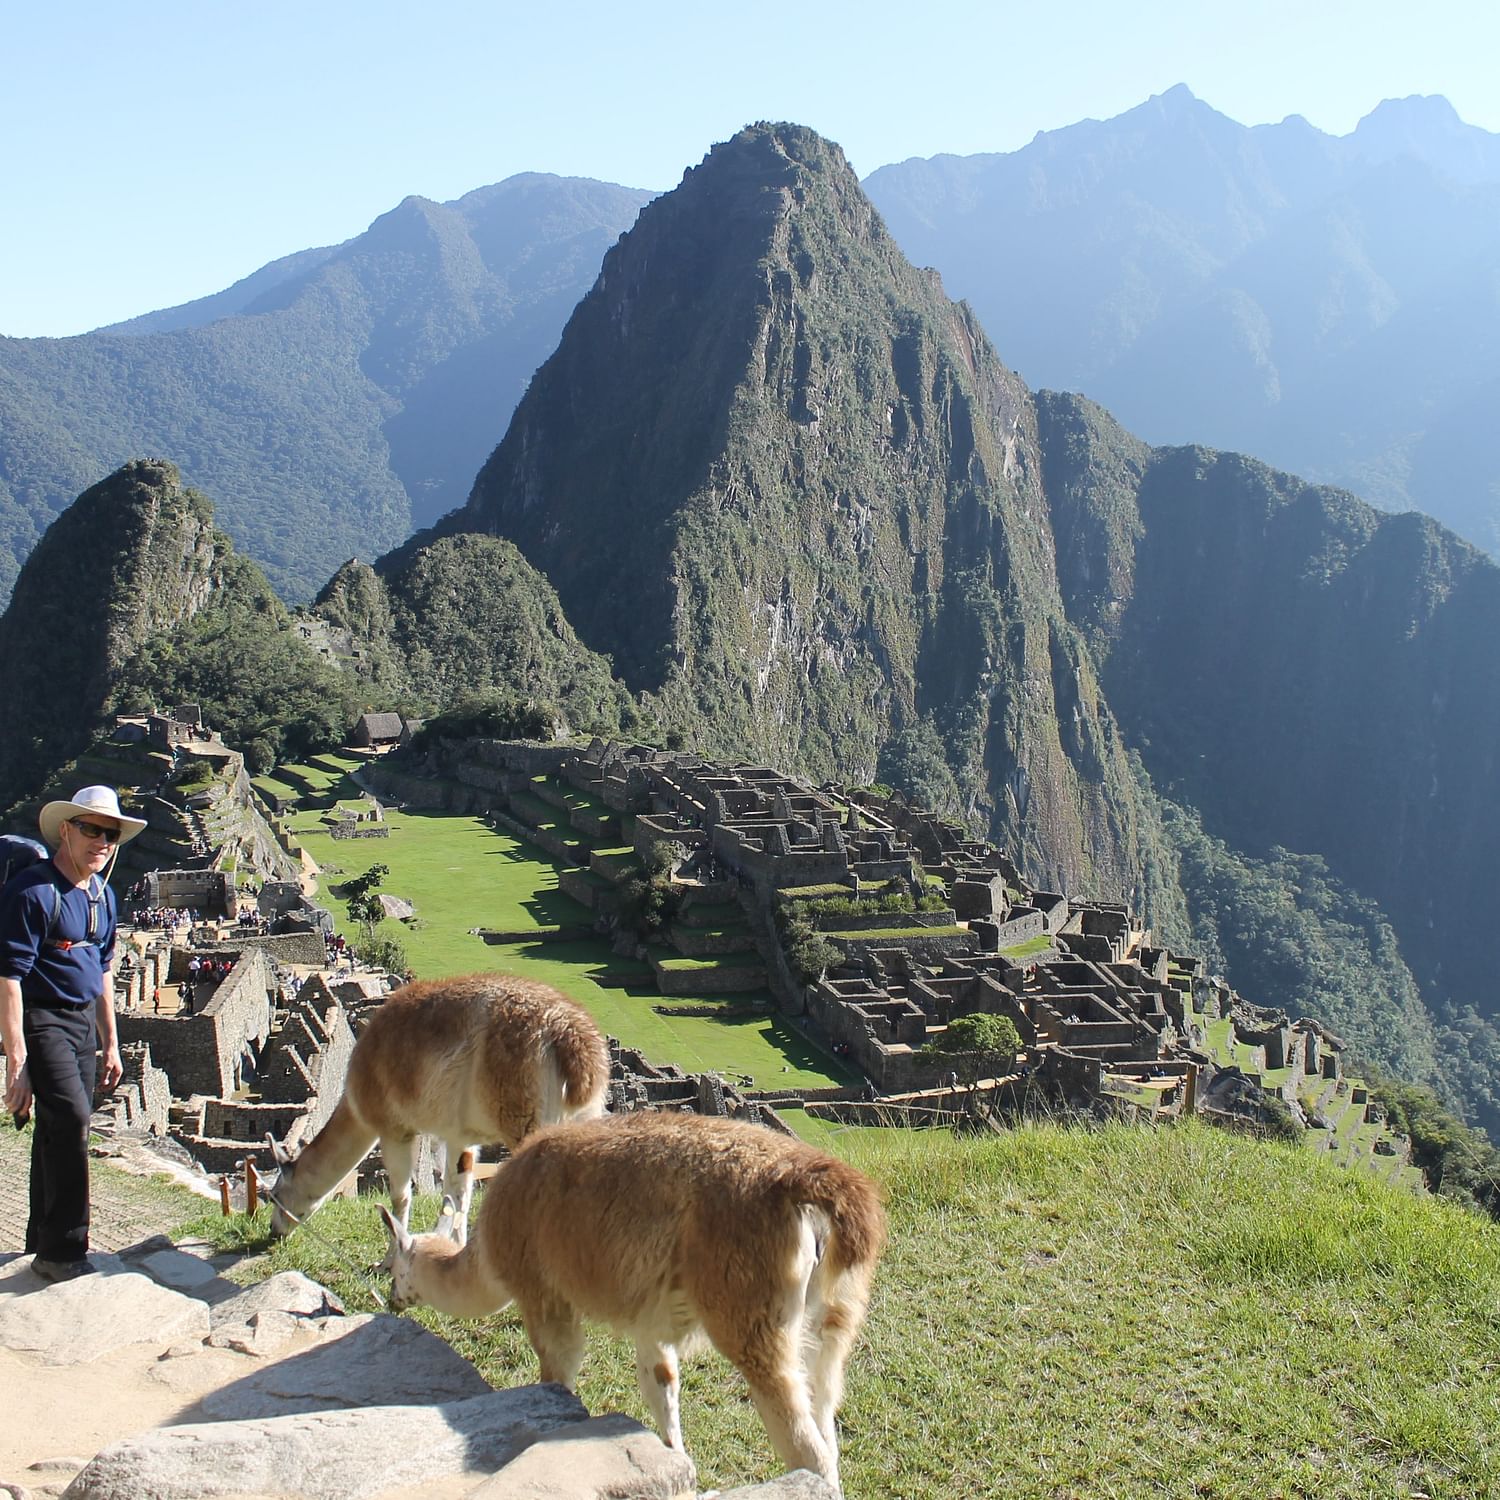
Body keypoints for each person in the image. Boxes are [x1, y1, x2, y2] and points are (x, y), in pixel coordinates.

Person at [0, 786, 145, 1281]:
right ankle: (64, 1251)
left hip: (83, 1021)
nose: (100, 841)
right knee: (74, 1122)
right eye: (90, 829)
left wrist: (111, 1040)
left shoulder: (103, 897)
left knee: (56, 1128)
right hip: (43, 1017)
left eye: (109, 833)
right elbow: (10, 977)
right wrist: (15, 1062)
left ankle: (39, 1238)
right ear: (65, 830)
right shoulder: (34, 892)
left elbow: (103, 971)